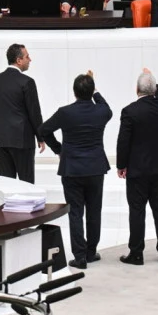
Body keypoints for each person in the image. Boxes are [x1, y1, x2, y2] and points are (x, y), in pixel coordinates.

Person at [39, 71, 112, 269]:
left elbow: (43, 130)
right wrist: (96, 91)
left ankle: (79, 256)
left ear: (74, 92)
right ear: (91, 91)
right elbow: (107, 108)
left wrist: (59, 150)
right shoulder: (101, 112)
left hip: (72, 168)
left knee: (76, 213)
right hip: (95, 168)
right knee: (94, 211)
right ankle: (91, 252)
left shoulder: (65, 112)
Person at [117, 68, 158, 265]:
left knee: (137, 210)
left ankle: (136, 253)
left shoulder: (129, 111)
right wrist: (153, 80)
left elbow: (123, 141)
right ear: (154, 90)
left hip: (137, 169)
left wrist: (121, 165)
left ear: (136, 90)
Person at [0, 43, 45, 183]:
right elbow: (34, 113)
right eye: (27, 57)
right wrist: (40, 137)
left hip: (2, 138)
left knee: (6, 185)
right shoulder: (27, 82)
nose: (30, 60)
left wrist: (1, 120)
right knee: (26, 184)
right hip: (22, 139)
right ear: (19, 60)